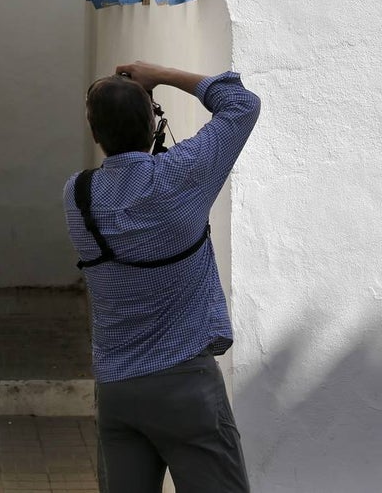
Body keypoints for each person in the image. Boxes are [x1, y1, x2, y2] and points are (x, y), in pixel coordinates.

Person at [62, 61, 260, 493]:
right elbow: (241, 105)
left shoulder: (77, 195)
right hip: (186, 385)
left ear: (95, 135)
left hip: (118, 390)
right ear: (153, 124)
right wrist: (160, 75)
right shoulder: (181, 177)